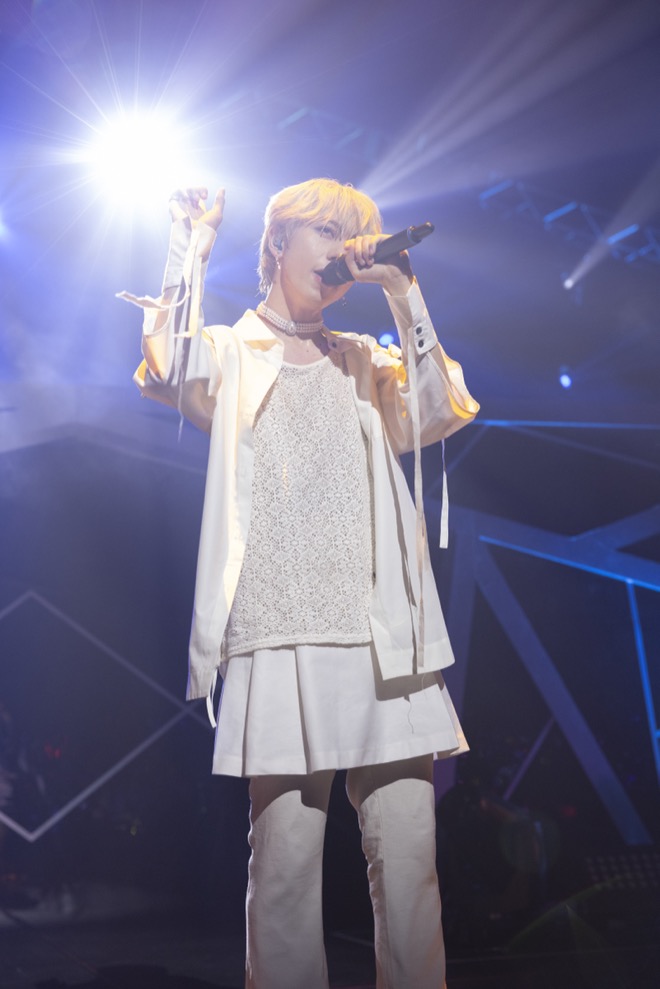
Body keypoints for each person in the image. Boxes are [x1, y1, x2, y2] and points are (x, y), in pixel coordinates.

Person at [120, 178, 479, 989]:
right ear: (278, 243)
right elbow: (168, 363)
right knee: (283, 869)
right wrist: (189, 243)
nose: (339, 249)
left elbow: (437, 408)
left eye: (350, 237)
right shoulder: (231, 352)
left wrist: (402, 288)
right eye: (325, 230)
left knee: (410, 864)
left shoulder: (364, 360)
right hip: (279, 632)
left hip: (383, 640)